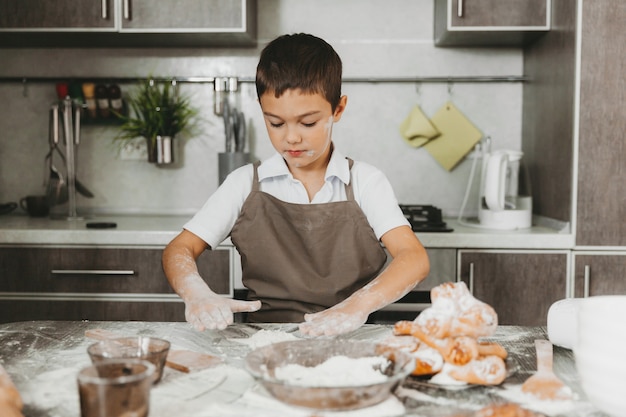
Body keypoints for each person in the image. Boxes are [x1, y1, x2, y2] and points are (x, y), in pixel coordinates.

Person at [163, 33, 430, 337]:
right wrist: (196, 294)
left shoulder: (366, 182)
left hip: (347, 338)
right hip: (262, 340)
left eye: (308, 123)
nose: (291, 137)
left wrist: (357, 306)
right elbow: (178, 249)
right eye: (275, 123)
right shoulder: (244, 184)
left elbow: (414, 258)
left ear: (338, 110)